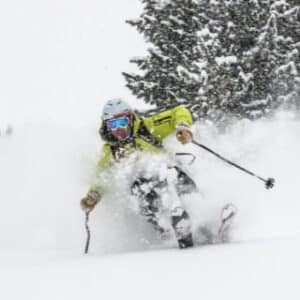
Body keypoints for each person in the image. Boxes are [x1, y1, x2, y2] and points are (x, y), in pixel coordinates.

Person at [80, 98, 199, 248]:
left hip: (167, 171)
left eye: (122, 122)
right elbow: (102, 175)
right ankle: (166, 232)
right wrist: (93, 196)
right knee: (140, 192)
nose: (118, 129)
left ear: (130, 119)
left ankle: (202, 215)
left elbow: (178, 111)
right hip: (142, 186)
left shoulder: (148, 127)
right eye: (113, 125)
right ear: (106, 126)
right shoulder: (110, 150)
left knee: (171, 174)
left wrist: (183, 127)